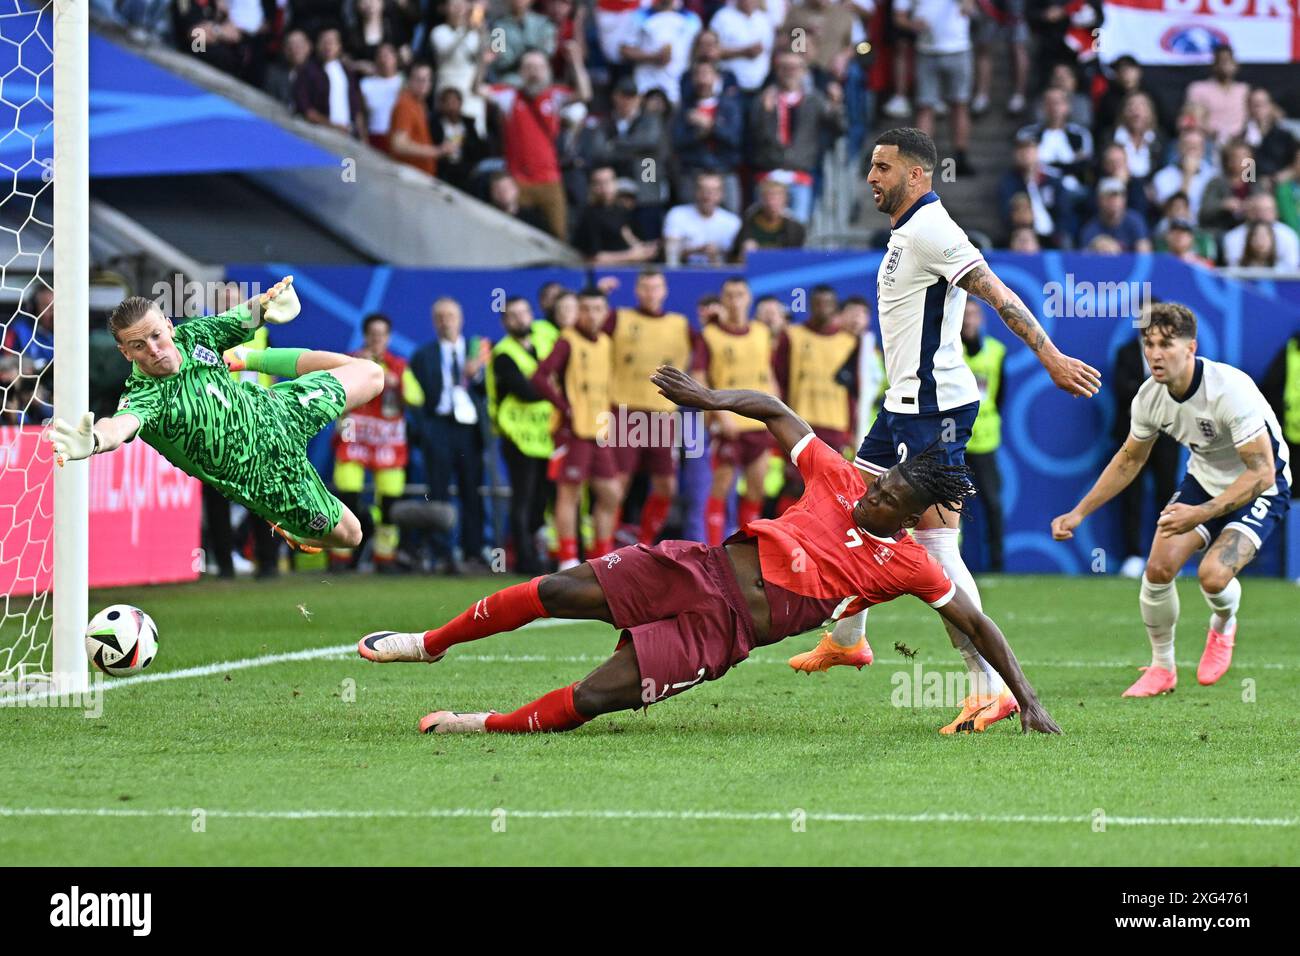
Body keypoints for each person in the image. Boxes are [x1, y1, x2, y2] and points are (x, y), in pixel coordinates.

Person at [358, 365, 1062, 738]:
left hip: (721, 633)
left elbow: (977, 623)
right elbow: (778, 412)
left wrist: (1026, 698)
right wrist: (710, 398)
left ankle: (478, 723)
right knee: (553, 591)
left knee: (595, 699)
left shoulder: (908, 563)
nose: (878, 490)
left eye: (894, 493)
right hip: (696, 567)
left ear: (910, 512)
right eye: (888, 478)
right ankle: (430, 642)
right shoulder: (840, 475)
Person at [793, 127, 1099, 736]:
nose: (871, 178)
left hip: (932, 412)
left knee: (934, 550)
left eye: (882, 167)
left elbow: (997, 292)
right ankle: (850, 638)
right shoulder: (906, 233)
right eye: (870, 166)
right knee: (852, 514)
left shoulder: (934, 229)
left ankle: (989, 688)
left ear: (917, 175)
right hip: (904, 406)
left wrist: (1051, 357)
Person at [1052, 303, 1292, 696]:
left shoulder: (1229, 390)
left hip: (1262, 486)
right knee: (1158, 568)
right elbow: (1129, 460)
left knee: (1213, 576)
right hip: (1204, 481)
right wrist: (1078, 513)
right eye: (1148, 343)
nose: (1155, 353)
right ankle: (1162, 669)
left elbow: (1262, 471)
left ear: (1191, 348)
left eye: (1166, 343)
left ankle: (1223, 624)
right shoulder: (1149, 398)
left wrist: (1200, 513)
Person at [47, 277, 385, 553]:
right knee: (350, 535)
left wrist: (272, 302)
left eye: (156, 335)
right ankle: (295, 531)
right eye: (138, 346)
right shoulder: (144, 396)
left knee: (372, 374)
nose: (153, 349)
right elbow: (120, 425)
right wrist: (94, 440)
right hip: (265, 479)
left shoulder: (197, 334)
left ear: (168, 326)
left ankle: (251, 358)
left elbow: (246, 313)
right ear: (125, 353)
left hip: (279, 412)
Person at [530, 287, 622, 568]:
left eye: (597, 309)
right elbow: (540, 377)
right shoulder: (567, 341)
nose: (591, 315)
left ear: (605, 313)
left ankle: (601, 559)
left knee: (611, 494)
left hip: (598, 430)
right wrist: (564, 406)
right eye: (585, 309)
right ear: (577, 312)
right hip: (572, 432)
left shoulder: (606, 342)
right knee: (569, 494)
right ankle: (567, 559)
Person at [605, 269, 693, 545]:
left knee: (667, 486)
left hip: (662, 414)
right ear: (636, 290)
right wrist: (600, 295)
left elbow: (704, 356)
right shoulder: (618, 318)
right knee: (617, 483)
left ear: (664, 291)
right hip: (624, 411)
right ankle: (606, 549)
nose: (650, 293)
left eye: (655, 287)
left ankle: (643, 543)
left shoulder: (680, 325)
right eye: (645, 287)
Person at [330, 313, 424, 571]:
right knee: (347, 497)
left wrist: (397, 382)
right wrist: (358, 370)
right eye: (372, 334)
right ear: (365, 336)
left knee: (390, 503)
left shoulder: (399, 365)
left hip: (388, 444)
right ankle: (342, 555)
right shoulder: (349, 360)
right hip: (353, 441)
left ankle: (385, 557)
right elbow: (331, 392)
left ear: (388, 337)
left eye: (381, 335)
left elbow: (417, 398)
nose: (377, 339)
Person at [409, 297, 491, 575]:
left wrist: (476, 376)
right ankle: (442, 553)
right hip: (439, 427)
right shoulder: (423, 355)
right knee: (439, 492)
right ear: (434, 322)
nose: (446, 321)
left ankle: (473, 552)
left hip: (468, 430)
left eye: (451, 316)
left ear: (461, 319)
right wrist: (426, 429)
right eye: (441, 317)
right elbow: (415, 398)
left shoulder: (477, 352)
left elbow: (487, 393)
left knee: (472, 492)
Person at [694, 276, 774, 546]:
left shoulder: (762, 332)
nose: (735, 300)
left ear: (749, 298)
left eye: (740, 294)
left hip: (759, 424)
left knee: (756, 489)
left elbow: (768, 373)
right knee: (720, 488)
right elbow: (700, 378)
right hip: (728, 424)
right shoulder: (710, 335)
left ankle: (745, 551)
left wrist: (778, 410)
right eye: (729, 295)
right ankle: (715, 550)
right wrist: (719, 413)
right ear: (722, 300)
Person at [487, 297, 556, 575]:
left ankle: (537, 551)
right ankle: (524, 559)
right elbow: (525, 391)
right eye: (512, 315)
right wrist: (556, 388)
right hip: (517, 436)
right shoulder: (503, 353)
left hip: (543, 435)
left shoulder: (541, 343)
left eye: (524, 313)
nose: (520, 319)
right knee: (523, 498)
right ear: (505, 322)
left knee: (541, 497)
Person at [1111, 329, 1180, 580]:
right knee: (1131, 494)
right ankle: (1133, 555)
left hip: (1167, 434)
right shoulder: (1126, 352)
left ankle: (1166, 556)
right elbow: (1122, 388)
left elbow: (1178, 387)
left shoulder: (1175, 353)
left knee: (1168, 494)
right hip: (1132, 433)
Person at [959, 299, 1005, 572]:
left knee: (992, 502)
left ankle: (997, 563)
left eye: (973, 314)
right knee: (951, 504)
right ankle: (952, 561)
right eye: (963, 315)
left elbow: (1000, 396)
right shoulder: (947, 351)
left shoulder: (996, 352)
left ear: (981, 320)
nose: (968, 320)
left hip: (985, 439)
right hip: (954, 440)